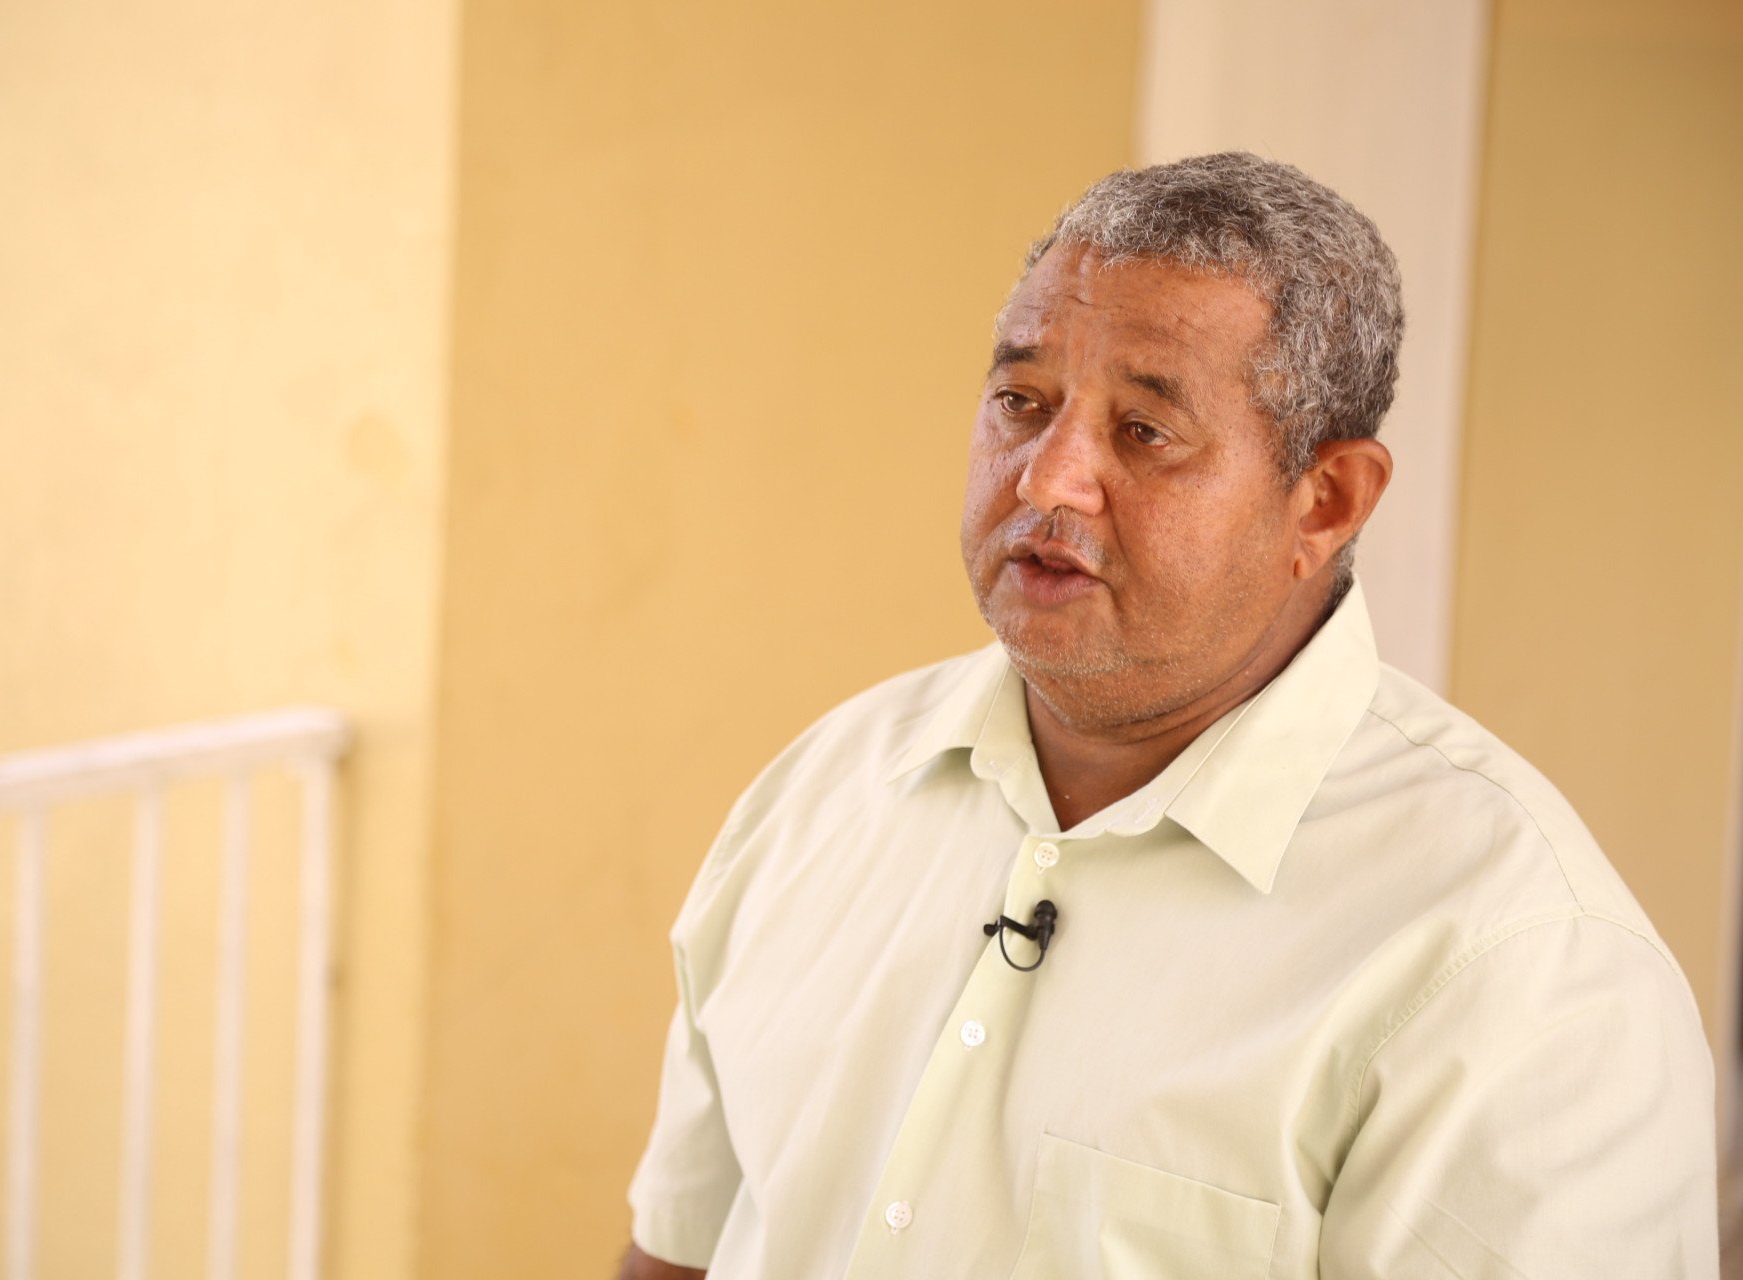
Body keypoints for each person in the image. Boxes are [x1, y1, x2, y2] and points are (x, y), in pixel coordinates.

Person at [615, 153, 1717, 1280]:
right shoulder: (821, 794)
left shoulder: (1523, 967)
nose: (1048, 480)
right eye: (1022, 403)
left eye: (1145, 430)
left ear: (1326, 501)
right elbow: (679, 1254)